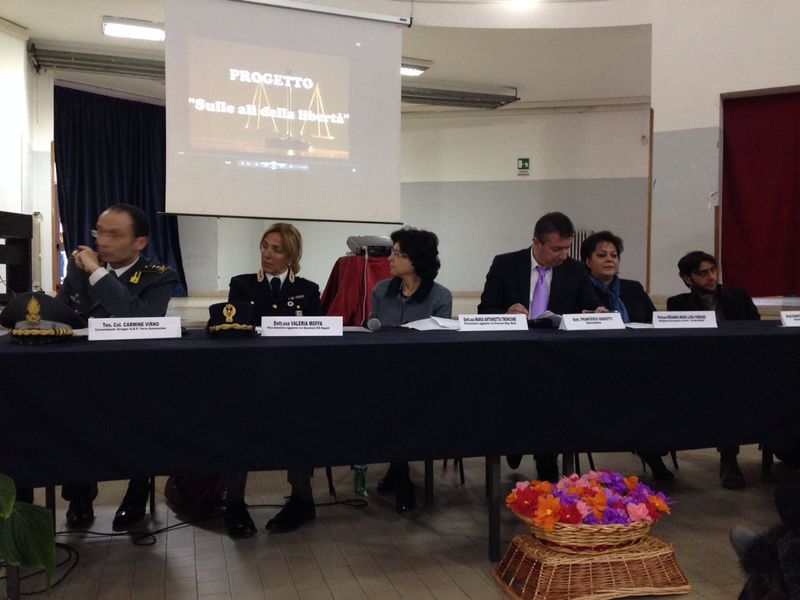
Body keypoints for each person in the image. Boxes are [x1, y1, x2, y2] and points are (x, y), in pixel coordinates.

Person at [55, 203, 178, 530]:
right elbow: (63, 316)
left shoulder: (159, 275)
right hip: (87, 372)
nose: (103, 241)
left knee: (144, 417)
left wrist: (97, 272)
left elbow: (137, 317)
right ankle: (80, 492)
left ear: (140, 242)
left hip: (135, 375)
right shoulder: (79, 270)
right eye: (99, 232)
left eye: (114, 234)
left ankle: (137, 490)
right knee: (69, 411)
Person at [478, 212, 603, 482]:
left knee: (554, 401)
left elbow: (591, 306)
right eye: (556, 249)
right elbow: (485, 309)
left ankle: (547, 462)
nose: (563, 255)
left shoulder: (575, 270)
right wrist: (506, 313)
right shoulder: (505, 264)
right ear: (536, 242)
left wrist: (598, 312)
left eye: (567, 248)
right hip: (513, 356)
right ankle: (514, 441)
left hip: (556, 359)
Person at [224, 223, 321, 538]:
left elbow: (317, 337)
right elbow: (235, 331)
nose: (267, 254)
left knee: (299, 424)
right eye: (265, 246)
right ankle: (234, 503)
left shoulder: (308, 290)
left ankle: (302, 500)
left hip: (292, 378)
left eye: (276, 249)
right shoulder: (242, 285)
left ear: (292, 256)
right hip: (251, 376)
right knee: (238, 427)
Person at [369, 227, 452, 513]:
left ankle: (399, 474)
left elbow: (439, 347)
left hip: (424, 378)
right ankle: (399, 472)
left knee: (403, 403)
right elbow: (373, 333)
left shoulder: (440, 297)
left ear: (416, 260)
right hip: (385, 374)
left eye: (397, 254)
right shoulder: (381, 290)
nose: (390, 259)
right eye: (392, 252)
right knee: (390, 400)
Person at [580, 231, 672, 480]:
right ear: (588, 261)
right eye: (602, 255)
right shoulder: (580, 288)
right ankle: (650, 450)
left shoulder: (633, 288)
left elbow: (655, 321)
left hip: (637, 361)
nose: (610, 259)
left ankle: (653, 445)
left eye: (614, 255)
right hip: (596, 365)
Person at [667, 250, 760, 489]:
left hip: (741, 367)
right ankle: (729, 459)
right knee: (724, 392)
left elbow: (757, 332)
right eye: (702, 273)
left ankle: (781, 448)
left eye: (713, 270)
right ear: (687, 278)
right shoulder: (678, 304)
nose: (710, 277)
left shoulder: (737, 297)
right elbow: (680, 346)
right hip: (701, 371)